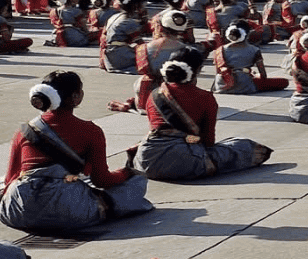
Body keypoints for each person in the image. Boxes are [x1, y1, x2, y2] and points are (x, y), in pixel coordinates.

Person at [2, 71, 154, 233]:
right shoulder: (90, 131)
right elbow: (102, 180)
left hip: (18, 213)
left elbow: (10, 178)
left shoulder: (24, 131)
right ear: (76, 97)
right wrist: (127, 172)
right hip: (68, 213)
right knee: (136, 181)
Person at [134, 57, 274, 180]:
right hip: (186, 160)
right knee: (242, 146)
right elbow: (208, 142)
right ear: (195, 72)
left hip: (147, 161)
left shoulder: (154, 95)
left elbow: (156, 130)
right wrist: (191, 141)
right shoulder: (205, 97)